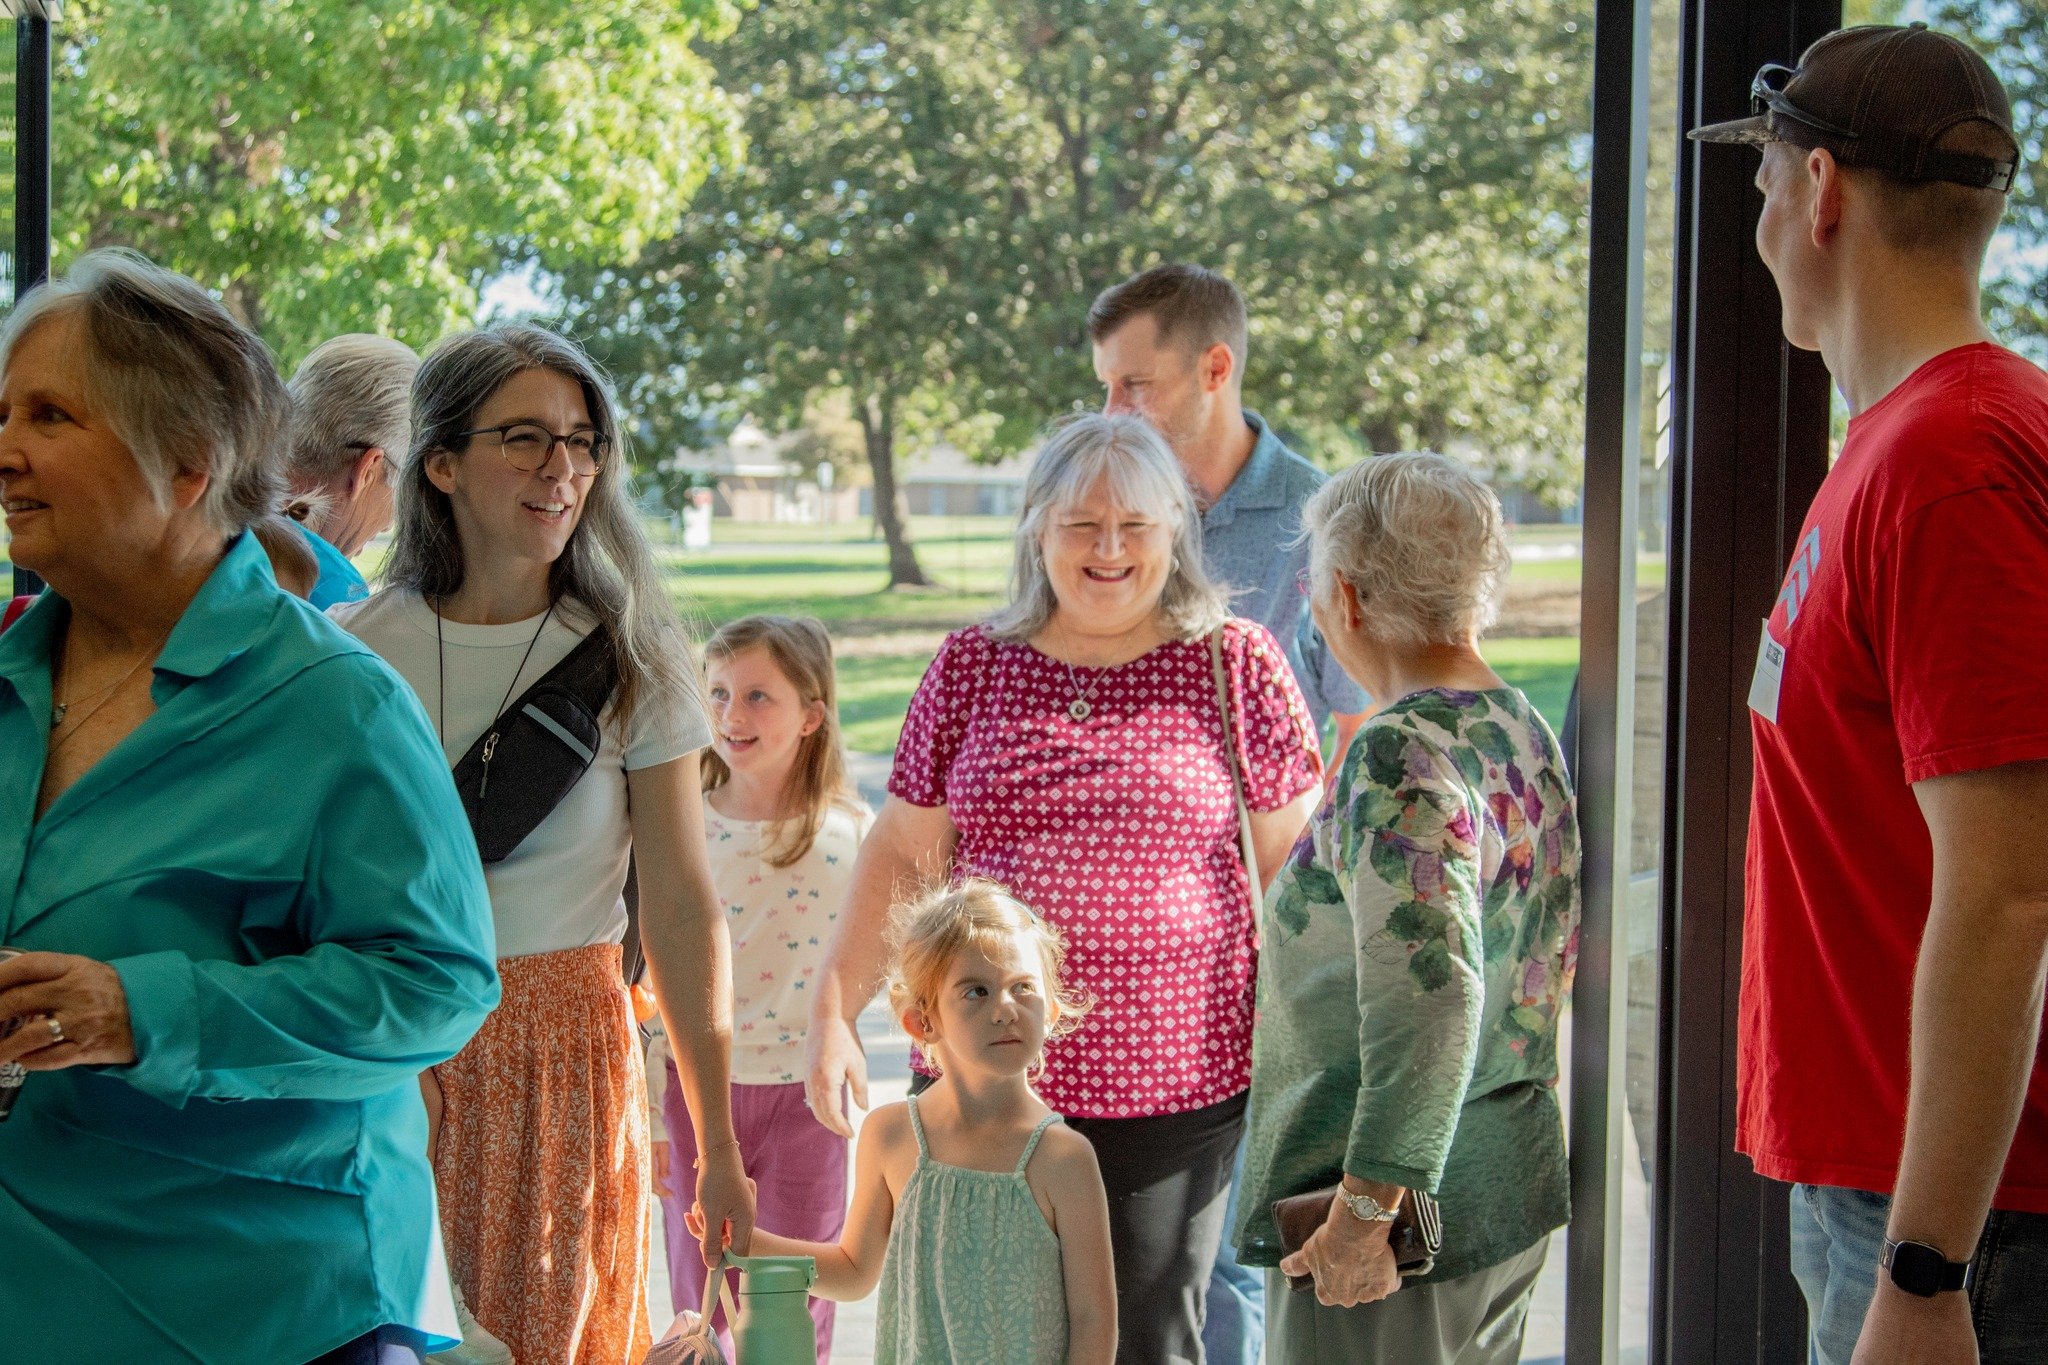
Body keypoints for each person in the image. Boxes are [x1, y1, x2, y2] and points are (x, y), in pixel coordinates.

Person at [0, 249, 499, 1364]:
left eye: (49, 416)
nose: (6, 452)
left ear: (189, 462)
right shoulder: (8, 679)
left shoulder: (334, 704)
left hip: (264, 1309)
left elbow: (435, 986)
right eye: (3, 414)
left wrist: (143, 1011)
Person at [807, 412, 1325, 1363]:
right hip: (983, 1080)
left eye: (1135, 524)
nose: (1109, 548)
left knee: (1143, 1338)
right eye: (1082, 524)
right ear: (1038, 530)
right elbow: (903, 853)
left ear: (1176, 531)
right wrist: (833, 1012)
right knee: (976, 1335)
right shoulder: (972, 665)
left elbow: (1297, 871)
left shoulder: (1237, 663)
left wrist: (1322, 1061)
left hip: (1171, 1084)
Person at [1689, 24, 2048, 1364]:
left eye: (1762, 184)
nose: (1761, 224)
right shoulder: (1904, 439)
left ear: (1819, 190)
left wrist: (1924, 1270)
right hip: (1890, 1191)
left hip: (1959, 1229)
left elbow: (2011, 891)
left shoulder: (1952, 463)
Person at [332, 323, 754, 1365]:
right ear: (441, 463)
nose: (562, 467)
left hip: (565, 1061)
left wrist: (717, 1145)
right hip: (397, 1053)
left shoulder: (632, 655)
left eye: (582, 441)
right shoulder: (353, 655)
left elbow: (682, 908)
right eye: (524, 437)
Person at [1235, 452, 1578, 1362]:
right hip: (1497, 1192)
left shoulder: (1398, 749)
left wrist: (1360, 1214)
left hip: (1392, 1234)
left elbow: (1431, 997)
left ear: (1345, 596)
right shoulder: (1517, 723)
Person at [1089, 264, 1370, 1358]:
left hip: (1259, 958)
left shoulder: (1317, 523)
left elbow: (1355, 737)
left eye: (1135, 384)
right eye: (1104, 386)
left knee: (1224, 1267)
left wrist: (1310, 946)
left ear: (1216, 368)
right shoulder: (1097, 503)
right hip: (1111, 979)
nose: (1112, 410)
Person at [730, 880, 1116, 1364]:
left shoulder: (1063, 1158)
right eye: (976, 991)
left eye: (1023, 988)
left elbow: (1094, 1319)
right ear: (923, 1022)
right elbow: (853, 1272)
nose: (1005, 1009)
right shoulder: (892, 1136)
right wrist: (748, 1242)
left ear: (1051, 1010)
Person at [645, 613, 873, 1359]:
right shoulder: (680, 827)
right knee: (700, 1287)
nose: (730, 714)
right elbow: (646, 973)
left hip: (805, 1102)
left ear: (811, 715)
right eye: (717, 693)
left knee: (793, 1295)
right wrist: (651, 1105)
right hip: (696, 1090)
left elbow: (879, 956)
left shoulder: (851, 833)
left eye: (757, 696)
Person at [284, 333, 422, 609]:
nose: (391, 524)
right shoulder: (333, 602)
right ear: (367, 470)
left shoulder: (208, 520)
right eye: (404, 490)